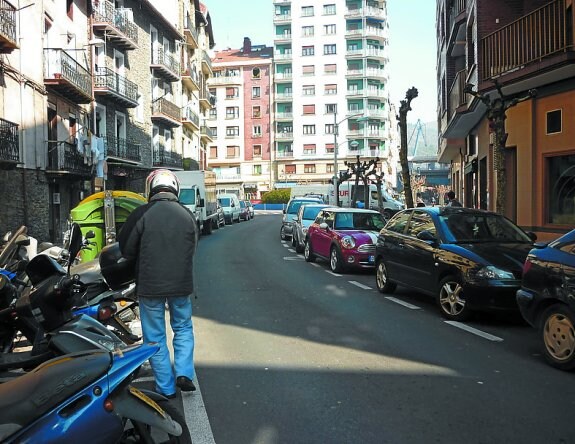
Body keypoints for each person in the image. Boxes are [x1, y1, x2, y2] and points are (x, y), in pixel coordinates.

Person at [118, 169, 198, 399]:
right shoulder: (186, 214)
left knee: (155, 336)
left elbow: (126, 249)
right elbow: (193, 248)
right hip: (181, 284)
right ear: (175, 187)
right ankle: (184, 373)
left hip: (150, 285)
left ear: (150, 188)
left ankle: (165, 387)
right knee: (182, 328)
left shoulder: (141, 213)